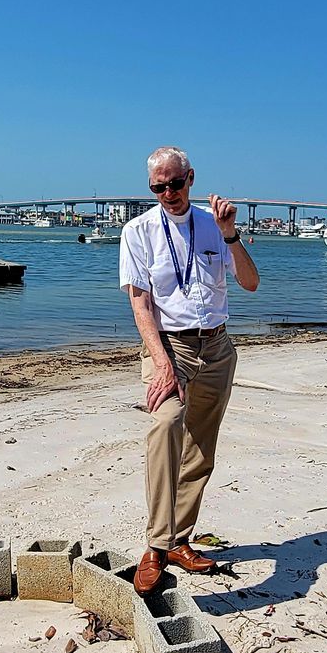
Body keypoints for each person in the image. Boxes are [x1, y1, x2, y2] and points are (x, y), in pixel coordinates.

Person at [118, 146, 260, 595]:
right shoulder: (138, 231)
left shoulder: (214, 226)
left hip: (216, 345)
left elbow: (251, 283)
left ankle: (180, 539)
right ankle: (156, 545)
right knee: (166, 425)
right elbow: (140, 302)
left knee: (201, 446)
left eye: (175, 184)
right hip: (170, 347)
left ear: (190, 178)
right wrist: (161, 363)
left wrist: (231, 234)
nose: (167, 193)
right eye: (158, 187)